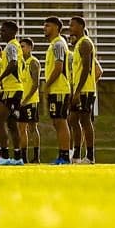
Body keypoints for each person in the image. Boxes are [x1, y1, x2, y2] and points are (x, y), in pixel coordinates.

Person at [68, 17, 100, 164]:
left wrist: (79, 91)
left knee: (85, 121)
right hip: (78, 90)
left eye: (72, 25)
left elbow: (87, 68)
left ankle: (90, 155)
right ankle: (76, 155)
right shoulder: (78, 45)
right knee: (72, 120)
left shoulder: (85, 43)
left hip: (85, 91)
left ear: (81, 26)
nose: (70, 28)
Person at [0, 21, 25, 165]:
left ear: (12, 32)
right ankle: (17, 157)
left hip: (11, 90)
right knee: (11, 124)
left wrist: (1, 78)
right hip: (13, 89)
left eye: (3, 30)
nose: (1, 33)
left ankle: (4, 156)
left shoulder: (11, 46)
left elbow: (13, 63)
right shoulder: (14, 46)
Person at [41, 16, 72, 165]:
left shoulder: (59, 44)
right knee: (56, 122)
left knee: (61, 122)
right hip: (56, 89)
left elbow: (59, 67)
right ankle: (62, 155)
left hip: (60, 89)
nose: (44, 28)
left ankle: (65, 156)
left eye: (47, 26)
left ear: (56, 28)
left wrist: (47, 85)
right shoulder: (53, 44)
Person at [16, 37, 42, 163]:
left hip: (30, 101)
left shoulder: (33, 62)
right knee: (21, 128)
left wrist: (26, 99)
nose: (21, 49)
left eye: (23, 46)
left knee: (32, 128)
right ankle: (24, 157)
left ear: (30, 48)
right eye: (20, 47)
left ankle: (36, 156)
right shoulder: (20, 62)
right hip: (21, 101)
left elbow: (35, 84)